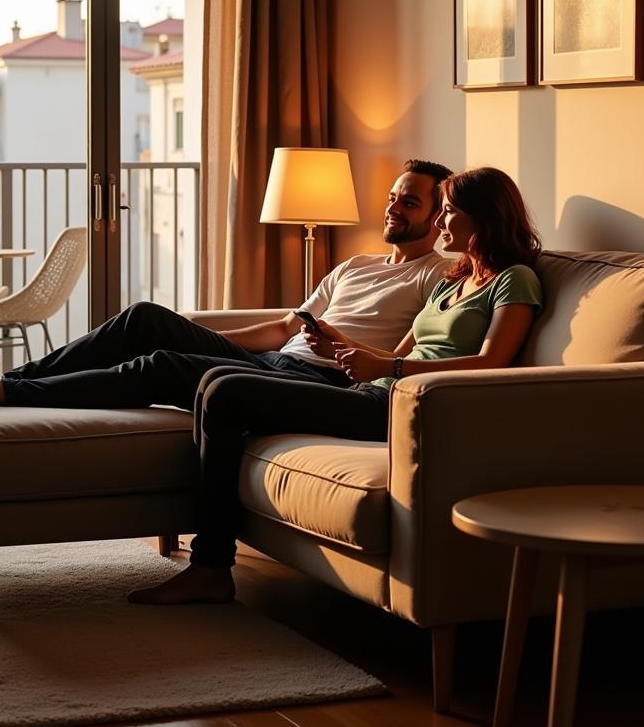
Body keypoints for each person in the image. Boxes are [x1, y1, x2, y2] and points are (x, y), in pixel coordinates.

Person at [128, 166, 542, 605]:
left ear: (484, 217)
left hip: (399, 407)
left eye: (450, 213)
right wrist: (341, 350)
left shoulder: (514, 279)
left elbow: (489, 362)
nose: (440, 223)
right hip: (373, 390)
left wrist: (393, 371)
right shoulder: (454, 280)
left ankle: (210, 567)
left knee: (226, 391)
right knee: (215, 380)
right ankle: (210, 564)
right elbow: (396, 354)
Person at [0, 158, 453, 412]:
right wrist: (204, 337)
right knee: (148, 318)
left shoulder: (441, 274)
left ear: (437, 216)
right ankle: (5, 380)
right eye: (392, 197)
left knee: (161, 364)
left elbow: (409, 354)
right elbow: (287, 325)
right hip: (274, 363)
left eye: (411, 202)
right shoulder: (355, 265)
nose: (394, 208)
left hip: (326, 382)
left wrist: (347, 347)